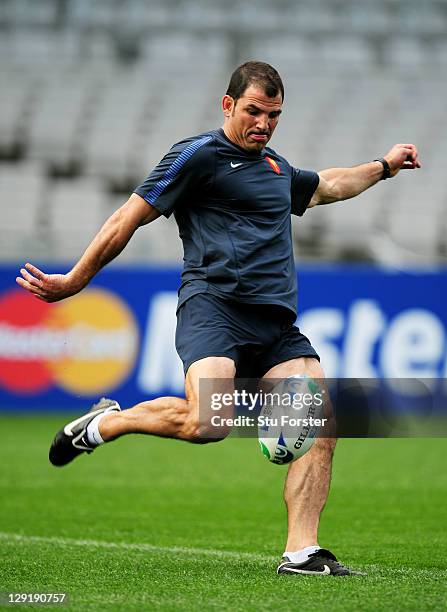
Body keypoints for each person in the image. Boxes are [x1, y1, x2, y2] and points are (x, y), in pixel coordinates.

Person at [16, 61, 421, 576]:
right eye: (254, 111)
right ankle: (109, 421)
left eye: (273, 115)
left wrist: (384, 165)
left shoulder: (276, 168)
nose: (264, 123)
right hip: (214, 309)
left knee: (320, 417)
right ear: (228, 105)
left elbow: (328, 186)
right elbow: (128, 217)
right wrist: (74, 280)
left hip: (275, 325)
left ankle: (301, 552)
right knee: (209, 423)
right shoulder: (199, 156)